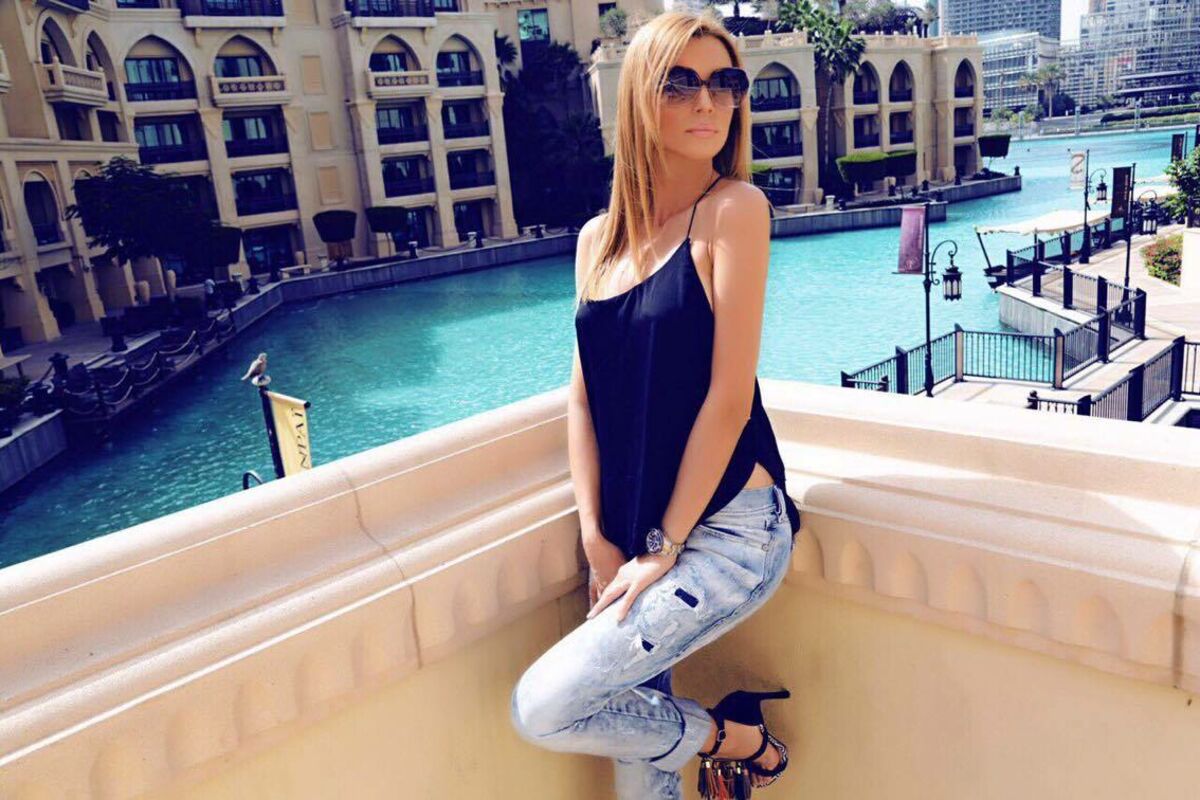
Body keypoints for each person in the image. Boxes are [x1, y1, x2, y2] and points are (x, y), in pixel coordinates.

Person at [509, 9, 803, 799]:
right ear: (640, 96)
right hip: (636, 530)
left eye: (725, 83)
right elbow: (584, 401)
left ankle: (740, 743)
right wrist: (597, 539)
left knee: (545, 704)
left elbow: (729, 399)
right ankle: (729, 739)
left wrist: (664, 547)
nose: (708, 101)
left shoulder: (735, 210)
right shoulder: (596, 241)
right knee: (641, 782)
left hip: (731, 531)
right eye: (681, 83)